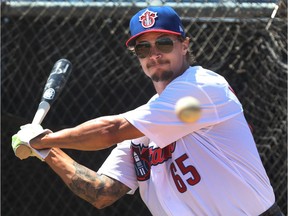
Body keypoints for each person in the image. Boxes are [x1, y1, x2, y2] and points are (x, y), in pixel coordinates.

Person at [12, 6, 283, 216]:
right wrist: (45, 151)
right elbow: (100, 192)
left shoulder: (201, 89)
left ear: (184, 45)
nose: (154, 54)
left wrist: (44, 139)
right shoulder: (144, 129)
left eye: (163, 43)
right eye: (143, 48)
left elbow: (111, 130)